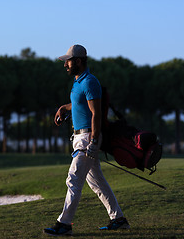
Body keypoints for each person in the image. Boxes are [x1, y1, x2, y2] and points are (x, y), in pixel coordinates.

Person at [44, 45, 130, 236]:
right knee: (96, 182)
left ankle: (64, 224)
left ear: (79, 61)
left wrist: (93, 141)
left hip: (87, 137)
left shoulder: (90, 82)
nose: (65, 64)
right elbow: (78, 103)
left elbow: (96, 113)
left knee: (73, 179)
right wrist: (64, 108)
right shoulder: (78, 82)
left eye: (68, 60)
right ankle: (118, 219)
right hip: (80, 136)